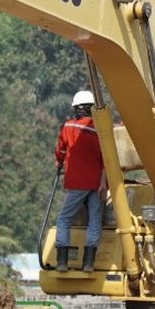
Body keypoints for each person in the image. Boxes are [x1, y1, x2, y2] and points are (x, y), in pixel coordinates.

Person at [55, 90, 105, 272]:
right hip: (97, 182)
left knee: (64, 219)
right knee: (94, 221)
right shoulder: (100, 131)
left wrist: (59, 162)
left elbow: (60, 150)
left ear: (76, 109)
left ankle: (62, 262)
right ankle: (89, 263)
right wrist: (103, 182)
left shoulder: (68, 127)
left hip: (77, 183)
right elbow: (105, 158)